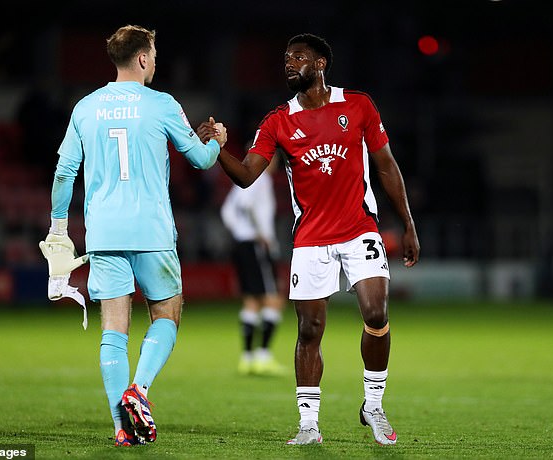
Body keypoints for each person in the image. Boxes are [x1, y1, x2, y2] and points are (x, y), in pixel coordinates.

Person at [198, 33, 419, 446]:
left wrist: (407, 224)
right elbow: (246, 176)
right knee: (310, 329)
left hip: (360, 230)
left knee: (376, 313)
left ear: (319, 64)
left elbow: (387, 166)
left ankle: (372, 404)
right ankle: (308, 424)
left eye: (297, 56)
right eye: (284, 57)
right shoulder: (278, 121)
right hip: (311, 239)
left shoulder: (358, 105)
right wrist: (215, 149)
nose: (287, 62)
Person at [39, 25, 227, 447]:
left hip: (104, 232)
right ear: (142, 57)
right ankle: (138, 391)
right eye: (155, 53)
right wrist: (216, 143)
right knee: (167, 313)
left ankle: (121, 428)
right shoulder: (162, 104)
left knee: (114, 329)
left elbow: (64, 172)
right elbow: (199, 160)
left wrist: (56, 226)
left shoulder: (85, 108)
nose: (156, 61)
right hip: (152, 230)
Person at [220, 150, 286, 376]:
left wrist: (240, 232)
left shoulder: (240, 181)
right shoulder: (262, 178)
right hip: (257, 245)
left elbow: (227, 212)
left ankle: (247, 358)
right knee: (274, 299)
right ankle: (263, 356)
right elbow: (247, 206)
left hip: (241, 244)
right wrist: (259, 233)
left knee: (251, 301)